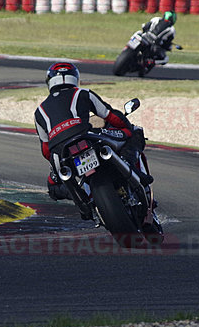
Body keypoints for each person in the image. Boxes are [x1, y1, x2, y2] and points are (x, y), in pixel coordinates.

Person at [34, 62, 150, 214]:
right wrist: (126, 128)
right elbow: (110, 115)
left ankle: (82, 199)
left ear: (49, 82)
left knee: (53, 187)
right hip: (86, 136)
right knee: (136, 132)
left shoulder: (39, 112)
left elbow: (45, 149)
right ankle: (133, 169)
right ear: (75, 78)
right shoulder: (83, 93)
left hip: (60, 152)